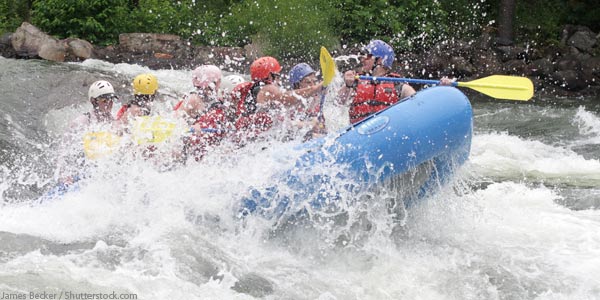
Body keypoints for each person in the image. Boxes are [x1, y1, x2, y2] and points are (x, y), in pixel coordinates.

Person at [337, 39, 453, 124]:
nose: (362, 59)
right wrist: (347, 85)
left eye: (368, 56)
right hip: (358, 134)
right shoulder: (356, 81)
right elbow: (338, 102)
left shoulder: (397, 84)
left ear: (380, 60)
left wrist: (441, 89)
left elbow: (420, 104)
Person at [232, 56, 322, 142]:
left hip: (249, 138)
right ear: (271, 76)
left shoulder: (252, 90)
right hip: (259, 140)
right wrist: (317, 88)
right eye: (278, 76)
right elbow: (284, 99)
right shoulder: (267, 89)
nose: (279, 81)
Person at [174, 65, 234, 161]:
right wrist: (189, 127)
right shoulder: (193, 99)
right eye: (217, 81)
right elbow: (177, 117)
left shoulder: (217, 98)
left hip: (211, 142)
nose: (219, 84)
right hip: (192, 143)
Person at [288, 62, 327, 140]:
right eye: (308, 82)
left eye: (315, 81)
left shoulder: (316, 100)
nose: (313, 85)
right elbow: (288, 125)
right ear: (297, 85)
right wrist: (309, 124)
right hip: (297, 142)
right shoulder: (291, 103)